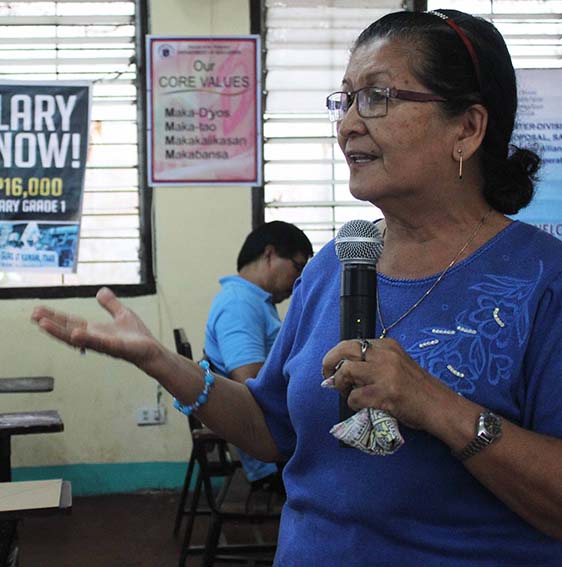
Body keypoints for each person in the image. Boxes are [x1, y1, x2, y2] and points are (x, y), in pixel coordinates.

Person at [32, 9, 562, 566]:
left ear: (468, 128)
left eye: (378, 97)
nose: (349, 124)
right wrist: (159, 360)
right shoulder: (336, 263)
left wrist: (437, 407)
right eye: (345, 100)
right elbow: (269, 429)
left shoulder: (542, 280)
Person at [203, 221, 311, 485]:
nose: (299, 279)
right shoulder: (240, 304)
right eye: (298, 266)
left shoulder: (254, 301)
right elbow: (249, 381)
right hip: (269, 447)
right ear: (270, 254)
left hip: (275, 433)